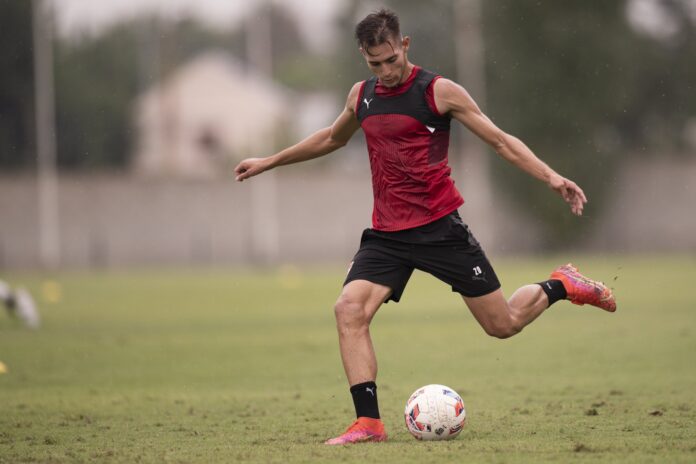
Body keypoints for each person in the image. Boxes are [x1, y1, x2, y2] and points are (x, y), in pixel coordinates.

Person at [234, 9, 616, 445]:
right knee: (349, 310)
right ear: (364, 56)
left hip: (440, 230)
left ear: (405, 45)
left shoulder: (439, 92)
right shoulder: (362, 96)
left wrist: (550, 176)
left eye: (391, 59)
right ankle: (369, 424)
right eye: (375, 63)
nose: (386, 70)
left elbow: (499, 140)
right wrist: (270, 161)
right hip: (387, 235)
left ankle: (561, 284)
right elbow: (332, 138)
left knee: (504, 324)